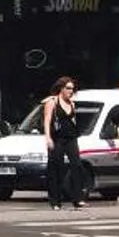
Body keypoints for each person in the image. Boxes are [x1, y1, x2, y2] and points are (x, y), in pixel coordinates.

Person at [43, 76, 84, 209]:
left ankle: (77, 199)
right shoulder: (52, 102)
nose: (71, 91)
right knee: (56, 168)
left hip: (71, 138)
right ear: (61, 88)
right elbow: (47, 120)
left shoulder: (72, 103)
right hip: (57, 138)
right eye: (68, 88)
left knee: (76, 165)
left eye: (72, 89)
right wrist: (48, 138)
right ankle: (55, 201)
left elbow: (74, 121)